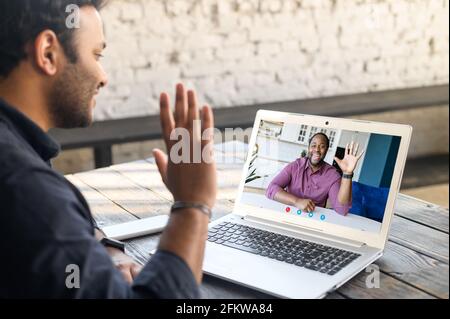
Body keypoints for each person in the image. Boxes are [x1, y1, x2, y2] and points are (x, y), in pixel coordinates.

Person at [0, 0, 216, 298]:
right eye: (96, 54)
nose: (103, 76)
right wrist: (193, 204)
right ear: (47, 52)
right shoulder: (26, 187)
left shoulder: (19, 150)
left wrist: (105, 249)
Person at [266, 132, 364, 215]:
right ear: (309, 148)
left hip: (313, 219)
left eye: (322, 147)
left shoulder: (333, 175)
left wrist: (347, 173)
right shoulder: (295, 166)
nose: (317, 150)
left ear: (326, 150)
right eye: (313, 146)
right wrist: (296, 201)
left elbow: (342, 210)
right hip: (287, 214)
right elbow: (271, 189)